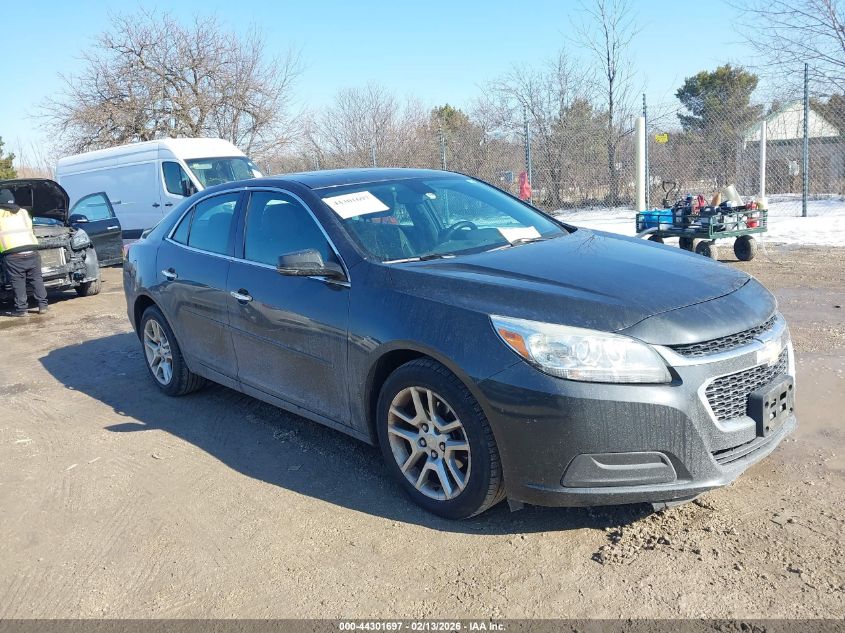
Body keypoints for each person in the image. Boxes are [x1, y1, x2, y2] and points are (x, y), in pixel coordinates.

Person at [0, 189, 48, 317]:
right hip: (32, 250)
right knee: (37, 279)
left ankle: (22, 310)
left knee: (18, 282)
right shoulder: (23, 212)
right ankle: (43, 306)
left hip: (13, 254)